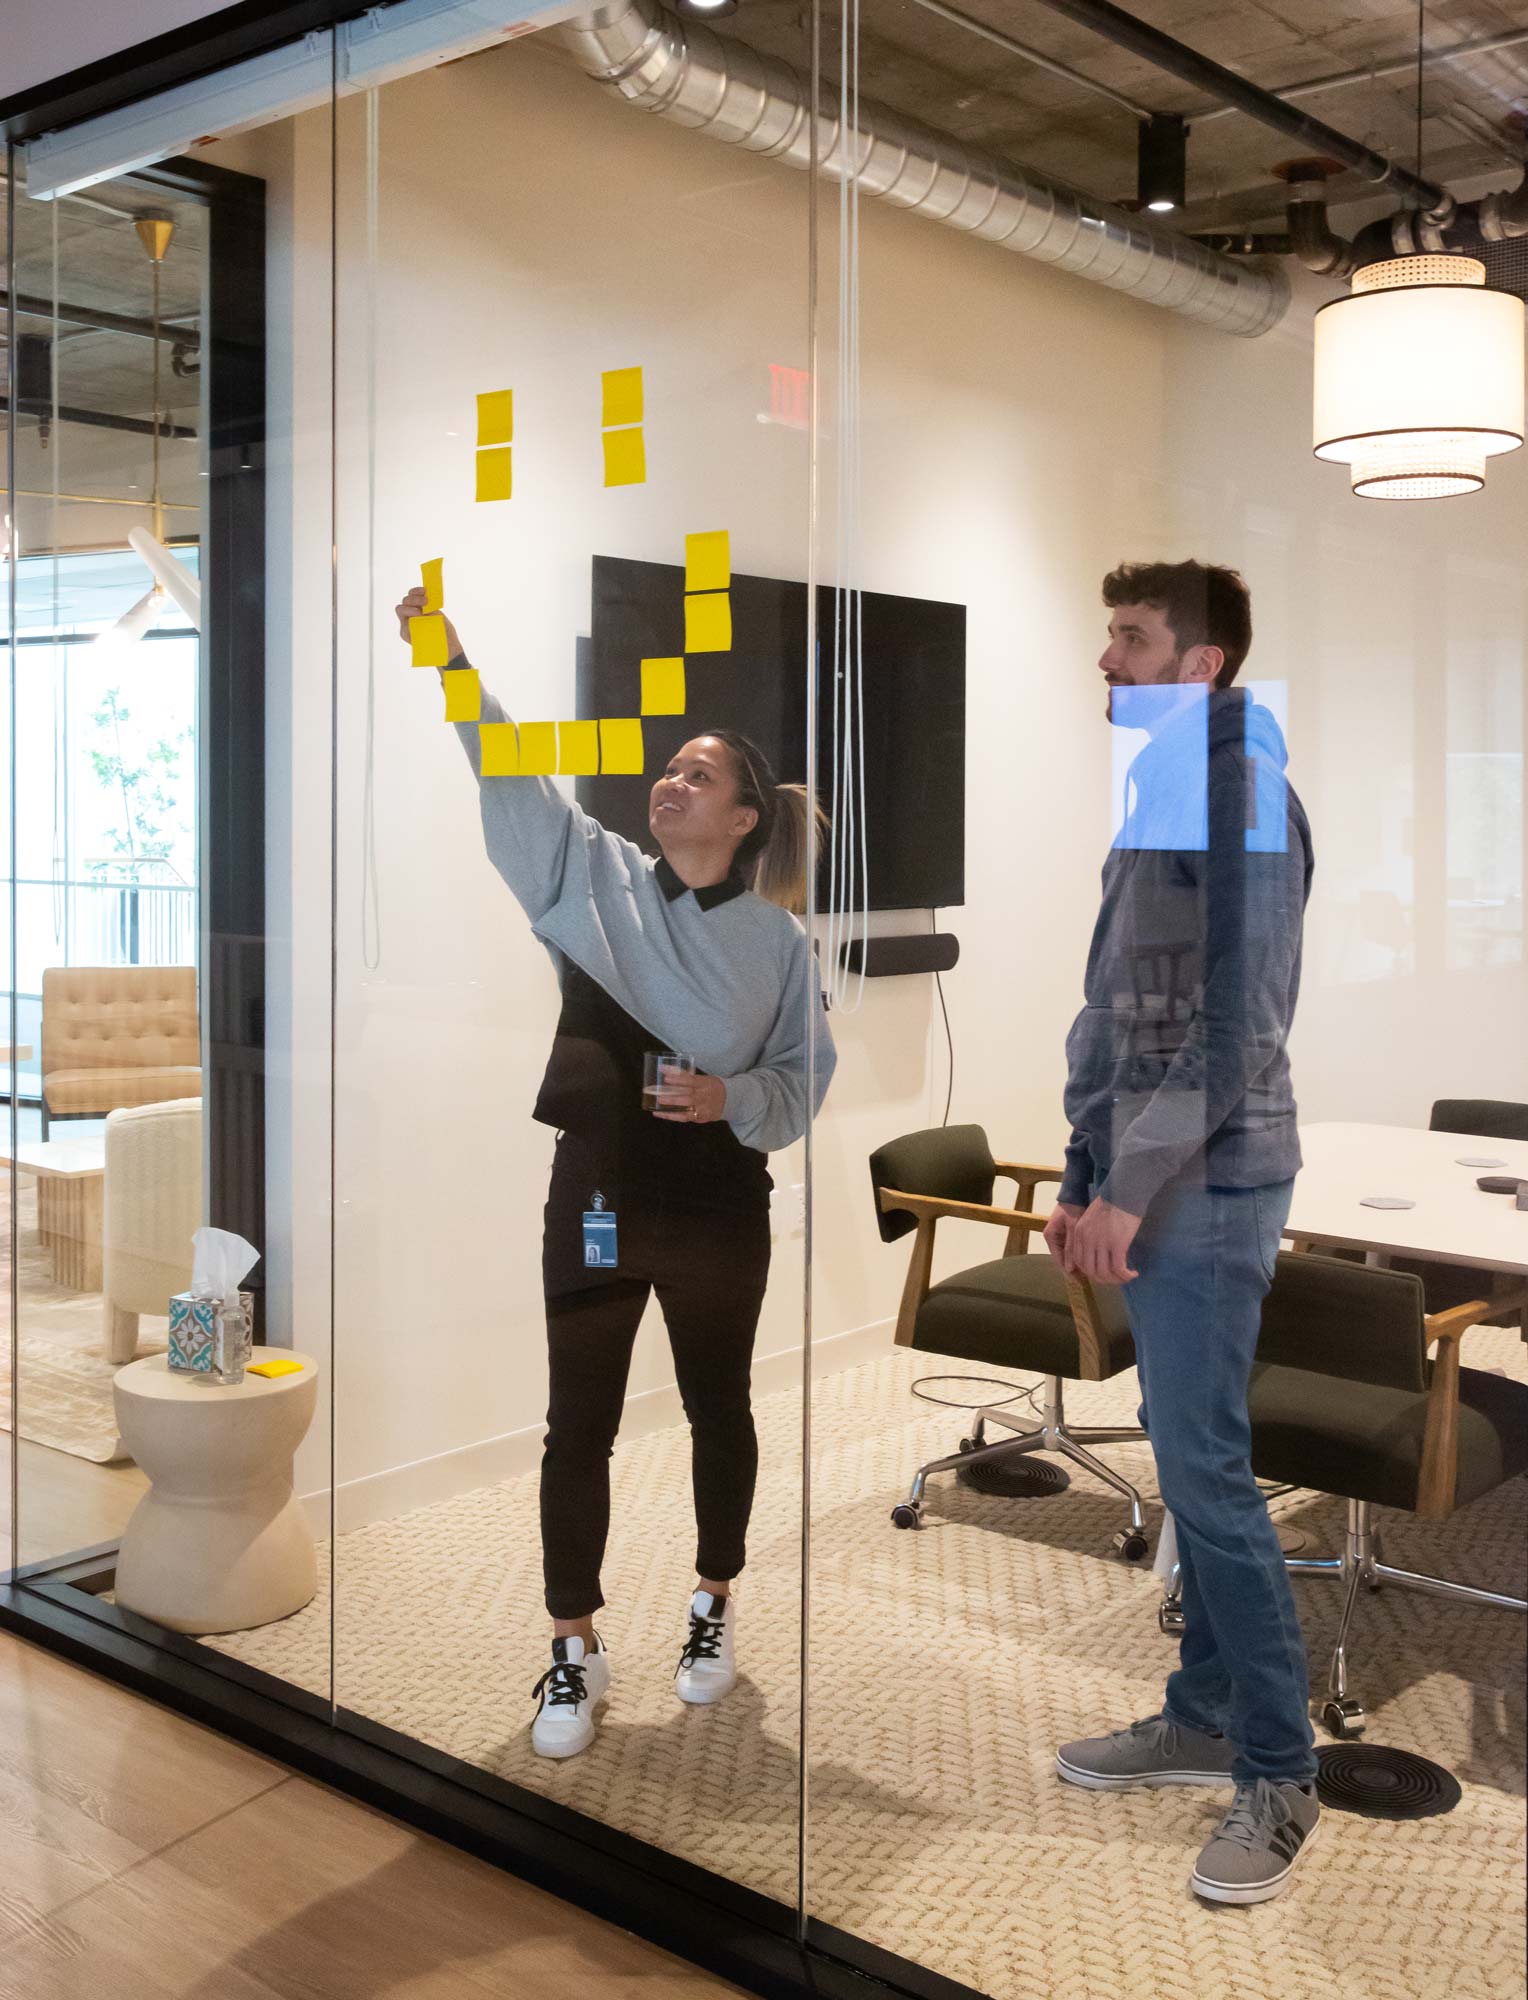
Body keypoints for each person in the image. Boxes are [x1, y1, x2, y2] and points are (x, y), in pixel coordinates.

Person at [395, 584, 836, 1760]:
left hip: (716, 1214)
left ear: (742, 819)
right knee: (575, 1423)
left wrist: (729, 1096)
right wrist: (452, 660)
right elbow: (508, 770)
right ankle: (572, 1643)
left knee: (716, 1407)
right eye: (670, 769)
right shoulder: (586, 877)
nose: (671, 783)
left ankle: (711, 1604)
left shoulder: (776, 945)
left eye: (699, 775)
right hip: (594, 1199)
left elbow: (801, 1082)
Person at [1043, 559, 1319, 1906]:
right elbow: (1115, 1014)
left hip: (1210, 1190)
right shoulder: (1167, 787)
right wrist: (1084, 1170)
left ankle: (1279, 1769)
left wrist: (1126, 1187)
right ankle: (1203, 1716)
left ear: (1200, 665)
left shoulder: (1243, 789)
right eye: (1110, 635)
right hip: (1150, 1183)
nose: (1108, 659)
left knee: (1206, 1478)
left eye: (1134, 639)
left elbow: (1235, 1035)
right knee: (1189, 1456)